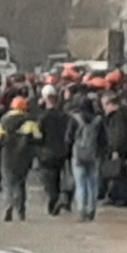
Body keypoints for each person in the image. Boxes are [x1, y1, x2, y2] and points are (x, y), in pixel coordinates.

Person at [0, 96, 42, 222]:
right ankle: (21, 211)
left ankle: (8, 207)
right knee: (20, 184)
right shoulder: (30, 122)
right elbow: (38, 138)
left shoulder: (2, 122)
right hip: (23, 157)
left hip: (7, 156)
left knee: (8, 183)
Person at [66, 94, 105, 221]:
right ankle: (91, 209)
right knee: (93, 184)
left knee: (80, 184)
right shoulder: (98, 120)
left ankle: (82, 210)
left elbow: (68, 138)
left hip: (78, 155)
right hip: (93, 156)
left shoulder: (75, 119)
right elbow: (104, 140)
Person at [35, 85, 72, 215]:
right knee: (60, 178)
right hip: (62, 152)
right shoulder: (65, 116)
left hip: (47, 153)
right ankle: (63, 199)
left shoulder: (42, 117)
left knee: (49, 182)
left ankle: (54, 202)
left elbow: (38, 136)